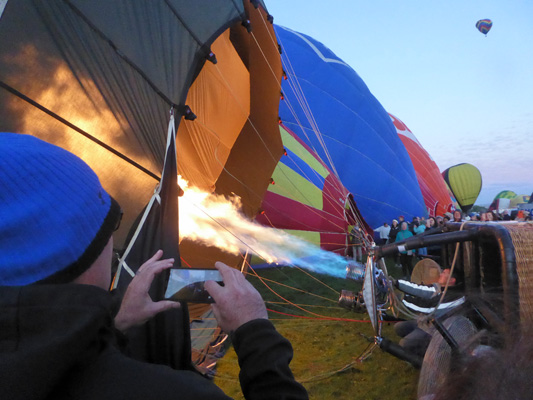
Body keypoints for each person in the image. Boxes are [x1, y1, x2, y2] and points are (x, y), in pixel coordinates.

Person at [0, 133, 308, 400]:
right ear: (81, 252)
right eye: (109, 227)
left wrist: (115, 326)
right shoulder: (169, 393)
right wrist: (254, 331)